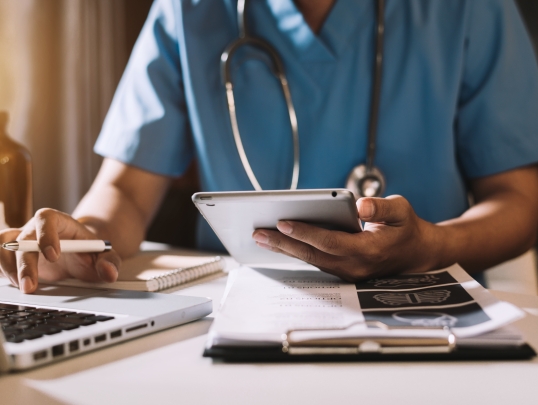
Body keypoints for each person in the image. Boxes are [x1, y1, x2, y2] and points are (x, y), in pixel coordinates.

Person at [1, 0, 538, 294]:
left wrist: (432, 247)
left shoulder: (470, 9)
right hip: (236, 310)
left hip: (424, 305)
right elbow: (124, 192)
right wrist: (81, 244)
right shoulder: (186, 11)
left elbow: (521, 201)